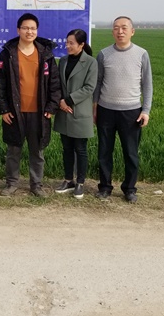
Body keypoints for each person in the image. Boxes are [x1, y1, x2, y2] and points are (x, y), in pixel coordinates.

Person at [0, 13, 61, 197]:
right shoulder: (8, 53)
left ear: (36, 31)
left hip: (39, 112)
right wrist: (3, 109)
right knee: (13, 150)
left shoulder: (45, 54)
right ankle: (11, 183)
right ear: (18, 30)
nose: (29, 31)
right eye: (25, 28)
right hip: (15, 112)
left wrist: (51, 107)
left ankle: (36, 185)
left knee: (37, 151)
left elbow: (54, 83)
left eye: (32, 28)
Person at [93, 16, 153, 203]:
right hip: (106, 110)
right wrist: (94, 108)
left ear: (132, 31)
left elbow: (147, 84)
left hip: (131, 112)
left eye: (124, 28)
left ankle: (130, 189)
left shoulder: (141, 54)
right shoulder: (103, 54)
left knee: (131, 153)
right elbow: (97, 83)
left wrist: (146, 110)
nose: (120, 31)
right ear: (112, 31)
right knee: (104, 152)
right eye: (116, 28)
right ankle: (105, 187)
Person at [53, 29, 98, 200]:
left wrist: (68, 100)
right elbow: (57, 83)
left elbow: (89, 87)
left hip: (79, 111)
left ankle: (80, 183)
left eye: (71, 43)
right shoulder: (63, 61)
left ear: (81, 44)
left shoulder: (91, 62)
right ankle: (68, 180)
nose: (67, 46)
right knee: (66, 148)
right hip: (64, 112)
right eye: (67, 42)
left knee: (80, 149)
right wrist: (60, 102)